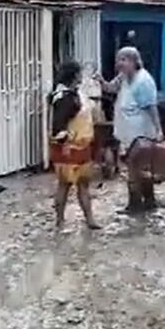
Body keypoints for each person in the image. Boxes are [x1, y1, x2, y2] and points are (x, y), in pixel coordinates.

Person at [101, 47, 162, 213]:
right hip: (127, 133)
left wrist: (158, 130)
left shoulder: (143, 81)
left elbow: (151, 107)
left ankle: (136, 203)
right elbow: (110, 88)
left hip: (141, 133)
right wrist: (100, 81)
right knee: (137, 168)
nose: (119, 63)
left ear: (134, 61)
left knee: (135, 168)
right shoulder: (124, 78)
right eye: (118, 59)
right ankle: (148, 202)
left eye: (123, 60)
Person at [49, 61, 98, 230]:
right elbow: (58, 125)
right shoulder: (65, 98)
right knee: (67, 184)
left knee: (80, 184)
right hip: (69, 147)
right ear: (74, 75)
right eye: (79, 74)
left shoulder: (72, 94)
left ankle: (86, 220)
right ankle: (62, 220)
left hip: (80, 145)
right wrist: (64, 141)